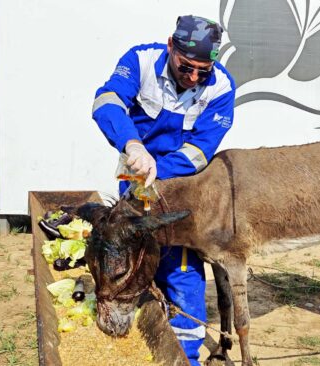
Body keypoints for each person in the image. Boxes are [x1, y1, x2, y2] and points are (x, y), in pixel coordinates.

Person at [91, 15, 235, 366]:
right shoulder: (139, 61)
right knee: (127, 252)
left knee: (179, 266)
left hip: (181, 187)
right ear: (171, 46)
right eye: (187, 67)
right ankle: (140, 311)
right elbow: (106, 102)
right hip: (134, 174)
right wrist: (133, 146)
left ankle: (184, 355)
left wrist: (162, 168)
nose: (194, 78)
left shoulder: (221, 88)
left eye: (203, 70)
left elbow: (202, 148)